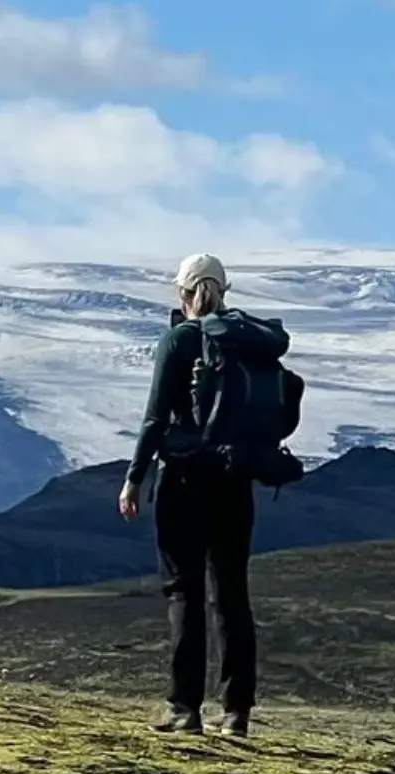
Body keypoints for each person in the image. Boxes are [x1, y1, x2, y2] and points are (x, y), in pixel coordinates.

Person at [117, 253, 260, 737]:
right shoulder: (244, 342)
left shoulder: (179, 339)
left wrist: (134, 477)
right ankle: (236, 711)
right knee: (231, 596)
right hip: (236, 481)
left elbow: (156, 416)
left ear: (183, 293)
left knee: (184, 591)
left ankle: (184, 708)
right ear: (225, 290)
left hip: (184, 480)